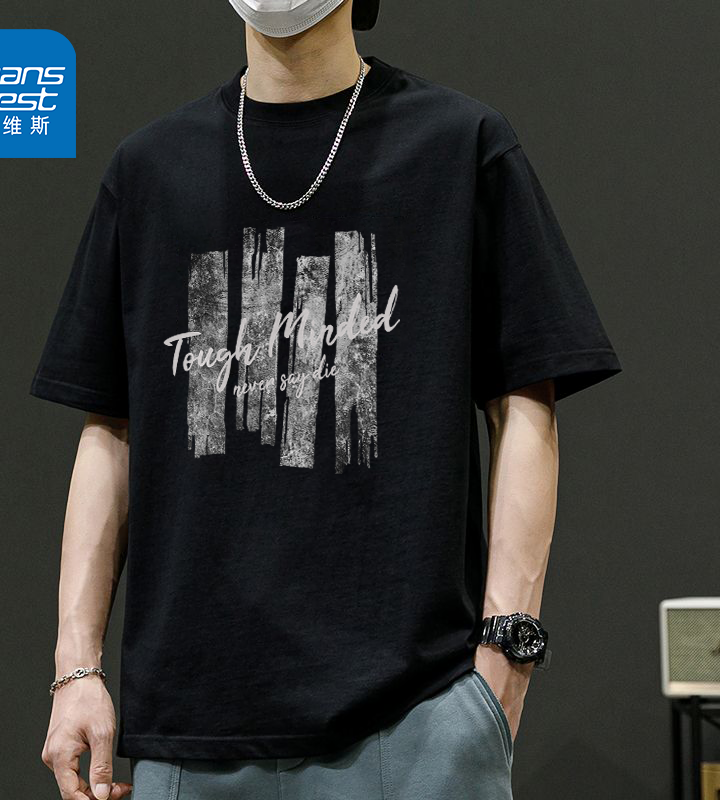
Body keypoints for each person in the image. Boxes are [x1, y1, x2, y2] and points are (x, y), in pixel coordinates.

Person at [31, 1, 622, 798]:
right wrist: (76, 670)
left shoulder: (459, 148)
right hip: (190, 738)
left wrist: (503, 662)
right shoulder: (151, 171)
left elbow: (524, 402)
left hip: (415, 724)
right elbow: (111, 431)